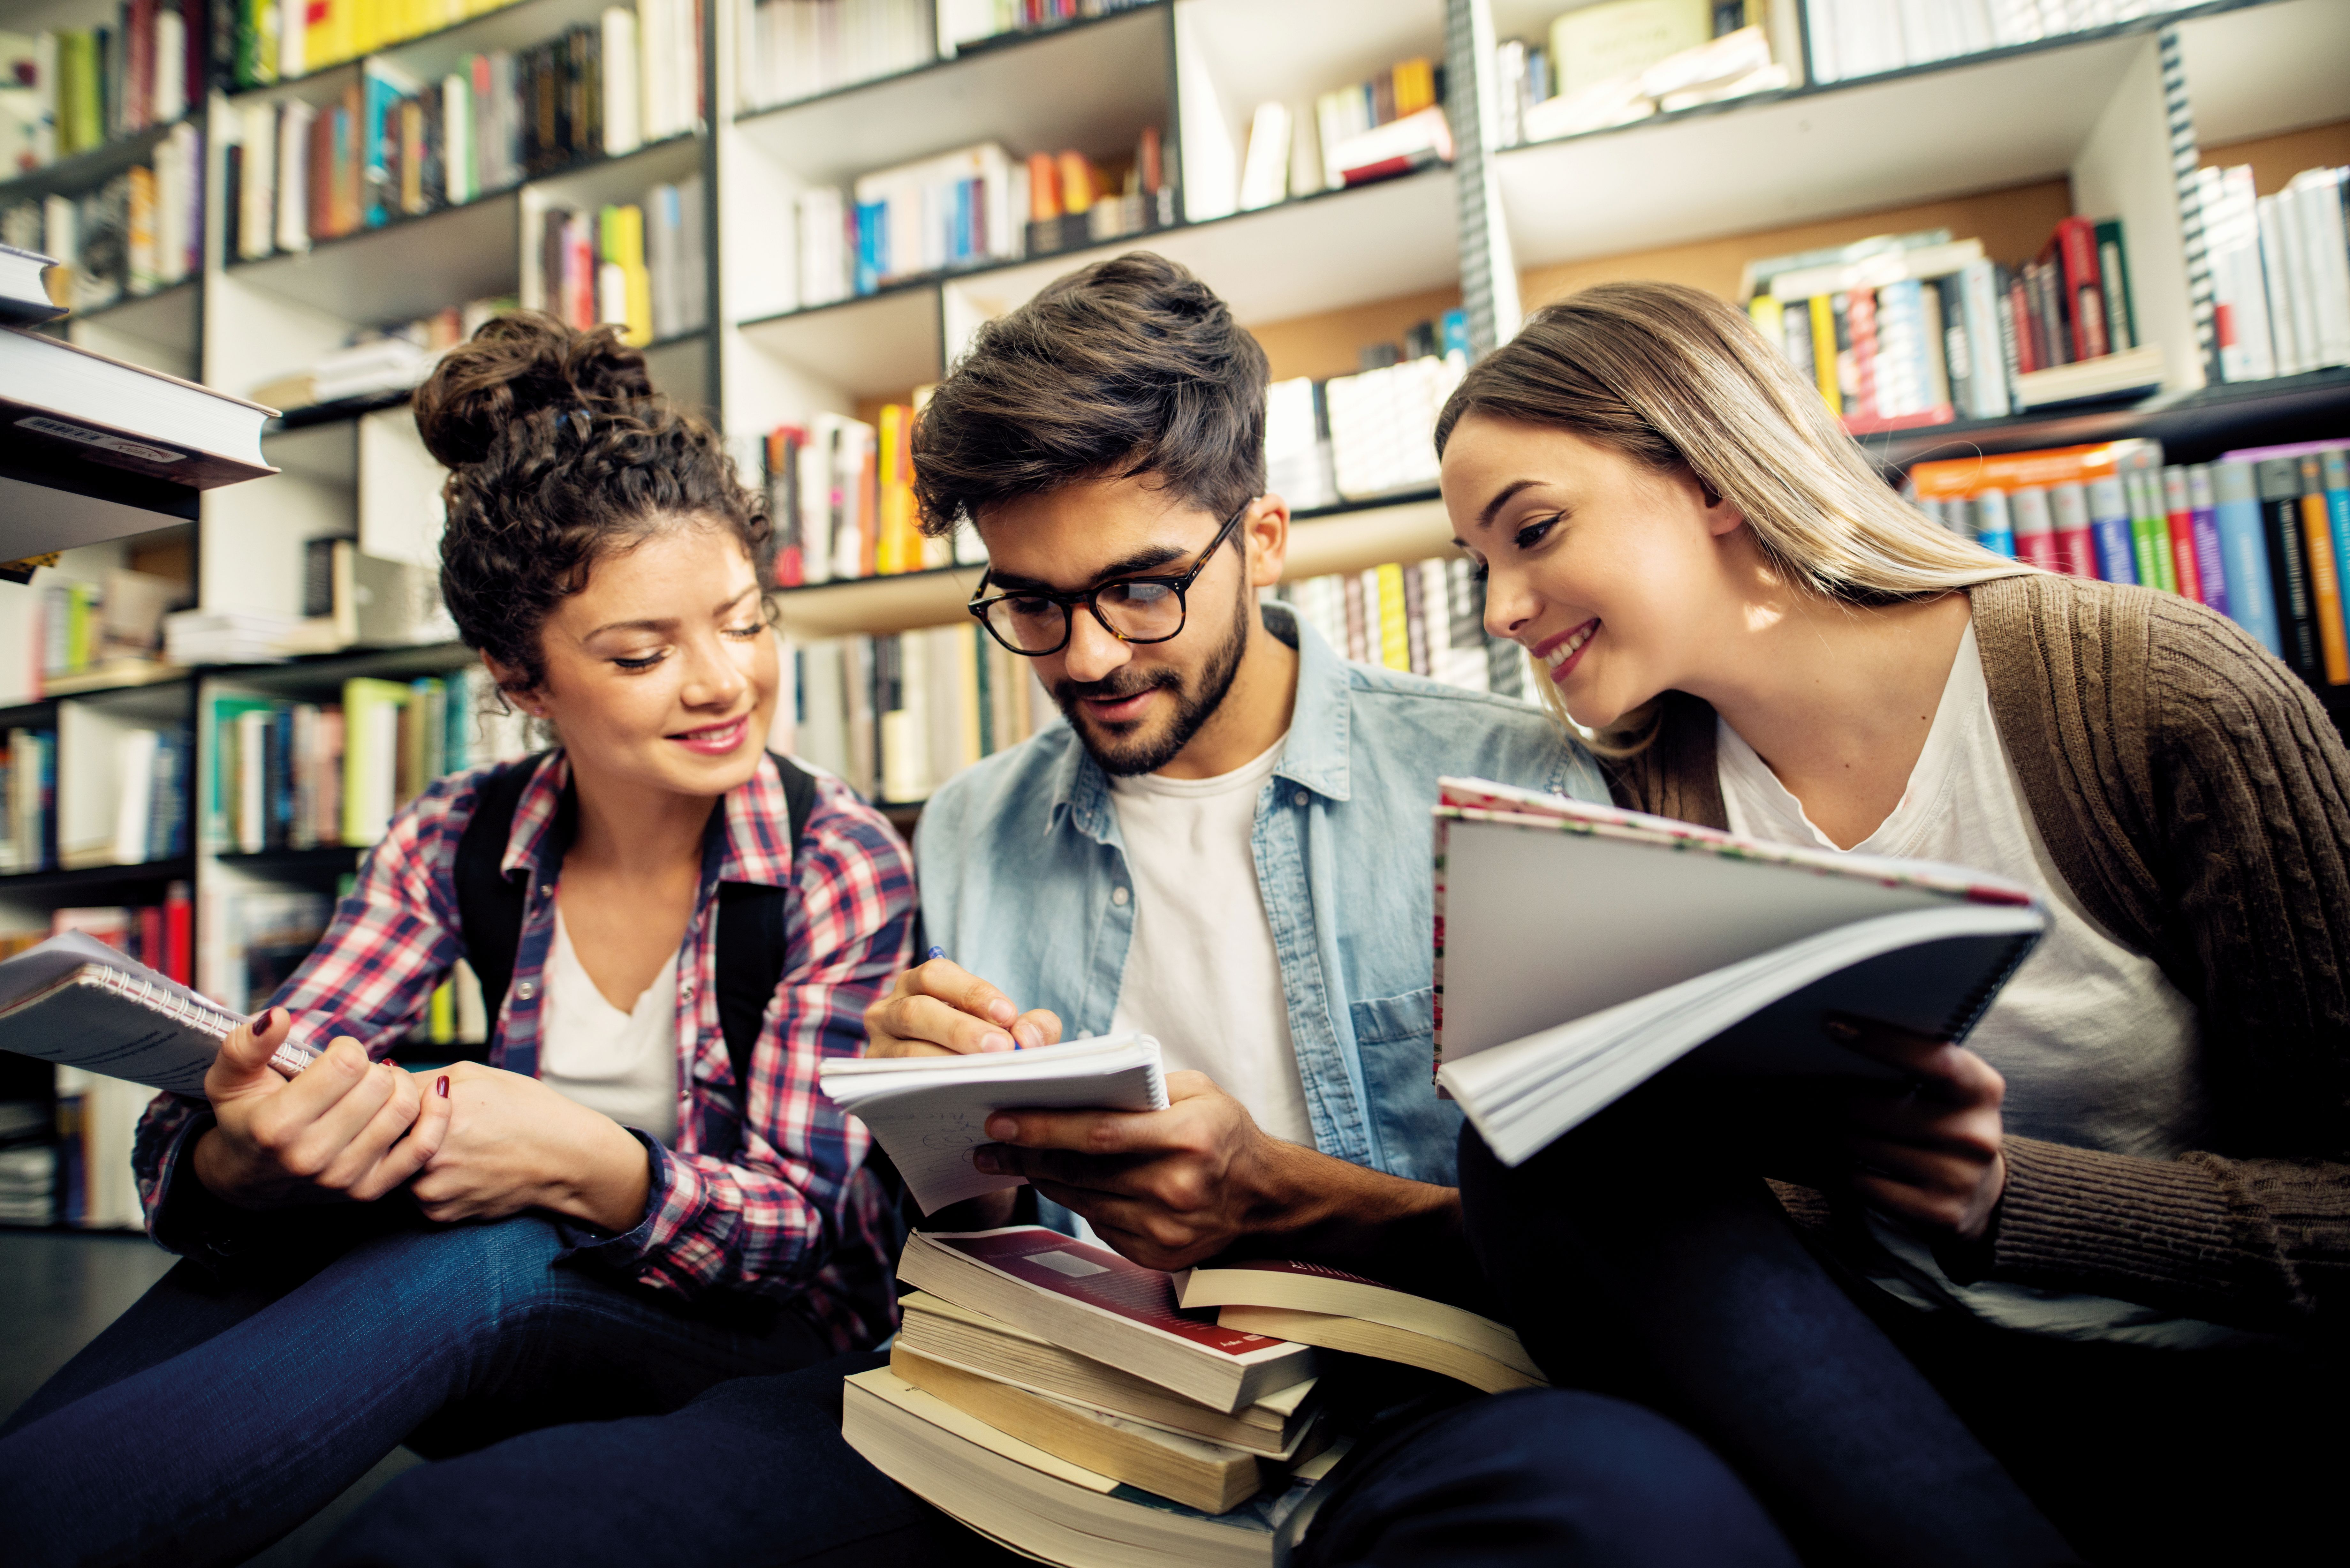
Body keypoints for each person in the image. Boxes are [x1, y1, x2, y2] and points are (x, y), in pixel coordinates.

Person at [317, 257, 1815, 1567]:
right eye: (1030, 602)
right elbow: (924, 1252)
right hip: (1052, 1405)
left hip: (1425, 1410)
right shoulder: (970, 823)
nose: (1088, 653)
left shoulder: (1509, 785)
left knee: (1641, 1515)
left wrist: (1283, 1198)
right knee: (439, 1538)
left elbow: (1660, 1257)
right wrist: (922, 1140)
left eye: (1143, 588)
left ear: (1265, 536)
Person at [1422, 281, 2347, 1564]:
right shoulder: (1645, 794)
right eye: (1480, 563)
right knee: (1533, 1152)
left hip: (2200, 1390)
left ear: (1711, 476)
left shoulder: (2158, 697)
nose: (1500, 610)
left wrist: (2008, 1198)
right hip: (1875, 1384)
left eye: (1532, 532)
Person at [0, 314, 916, 1568]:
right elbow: (250, 1095)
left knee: (487, 1244)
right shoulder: (452, 833)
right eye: (643, 653)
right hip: (507, 1322)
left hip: (759, 1346)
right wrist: (246, 1156)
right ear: (522, 680)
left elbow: (798, 1240)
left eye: (745, 621)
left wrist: (580, 1159)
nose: (723, 682)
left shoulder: (837, 857)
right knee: (310, 1218)